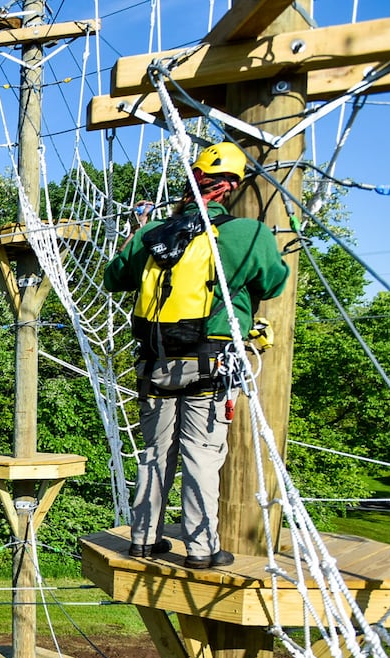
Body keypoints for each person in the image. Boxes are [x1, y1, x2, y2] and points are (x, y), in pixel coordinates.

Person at [104, 141, 289, 570]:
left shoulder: (153, 237)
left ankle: (143, 539)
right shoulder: (248, 234)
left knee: (154, 454)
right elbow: (274, 282)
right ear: (231, 188)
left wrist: (138, 234)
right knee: (201, 457)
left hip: (154, 366)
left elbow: (116, 276)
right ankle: (202, 549)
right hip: (210, 366)